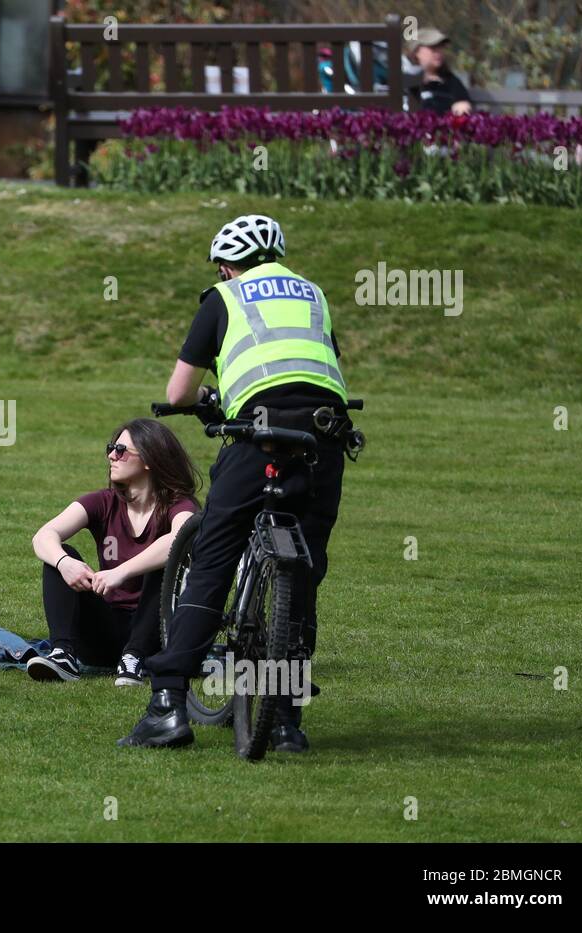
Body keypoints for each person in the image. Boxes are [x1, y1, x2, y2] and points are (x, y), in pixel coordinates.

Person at [119, 214, 349, 753]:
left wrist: (206, 402)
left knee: (213, 558)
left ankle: (167, 707)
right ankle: (287, 723)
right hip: (324, 437)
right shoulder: (314, 294)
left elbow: (179, 392)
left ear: (227, 265)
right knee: (304, 572)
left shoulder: (223, 298)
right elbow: (318, 369)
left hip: (258, 435)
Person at [29, 419, 199, 686]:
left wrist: (121, 572)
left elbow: (180, 538)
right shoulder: (104, 501)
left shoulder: (180, 505)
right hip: (105, 634)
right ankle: (63, 653)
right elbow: (43, 536)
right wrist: (64, 563)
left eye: (121, 450)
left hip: (159, 632)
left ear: (149, 460)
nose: (111, 455)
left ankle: (135, 658)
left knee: (169, 562)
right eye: (112, 448)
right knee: (61, 556)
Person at [405, 27, 471, 115]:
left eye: (441, 47)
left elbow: (462, 106)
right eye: (433, 47)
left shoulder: (450, 80)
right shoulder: (403, 79)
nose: (439, 52)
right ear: (416, 51)